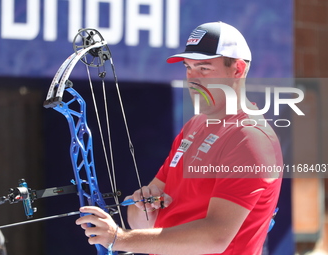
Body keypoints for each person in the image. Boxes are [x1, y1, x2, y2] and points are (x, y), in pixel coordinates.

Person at [76, 21, 283, 255]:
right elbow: (141, 220)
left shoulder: (250, 138)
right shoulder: (195, 125)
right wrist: (145, 207)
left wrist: (120, 239)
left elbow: (215, 237)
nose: (192, 78)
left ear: (237, 69)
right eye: (188, 67)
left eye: (204, 68)